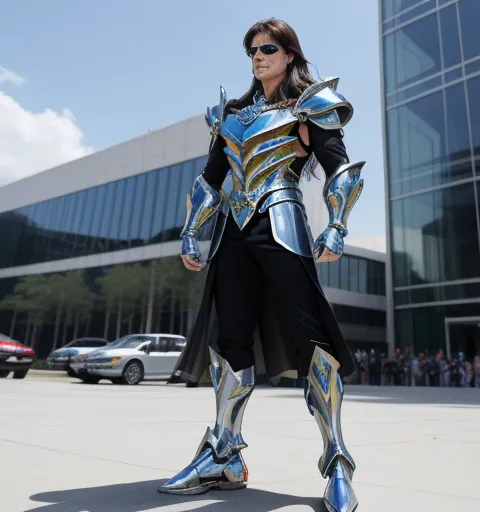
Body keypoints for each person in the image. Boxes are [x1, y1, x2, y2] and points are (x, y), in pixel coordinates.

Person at [158, 18, 364, 512]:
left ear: (289, 53)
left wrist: (336, 225)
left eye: (267, 47)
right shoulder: (231, 113)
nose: (257, 55)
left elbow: (341, 167)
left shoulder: (309, 104)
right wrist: (192, 230)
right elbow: (211, 180)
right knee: (230, 340)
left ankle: (336, 456)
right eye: (251, 49)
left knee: (310, 332)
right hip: (234, 233)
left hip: (283, 221)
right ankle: (224, 454)